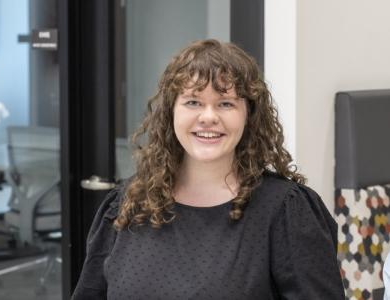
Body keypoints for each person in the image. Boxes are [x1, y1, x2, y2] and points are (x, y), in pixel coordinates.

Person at [72, 39, 345, 299]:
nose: (208, 117)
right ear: (171, 112)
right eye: (193, 102)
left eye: (226, 103)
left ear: (248, 116)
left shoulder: (286, 211)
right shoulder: (126, 204)